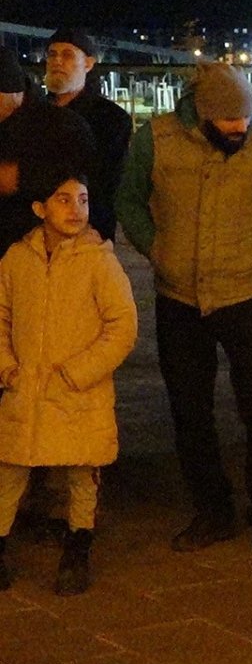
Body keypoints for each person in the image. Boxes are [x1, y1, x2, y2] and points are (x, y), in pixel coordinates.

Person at [116, 61, 252, 557]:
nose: (239, 129)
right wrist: (155, 248)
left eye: (245, 119)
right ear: (201, 113)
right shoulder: (155, 139)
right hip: (178, 296)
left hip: (247, 293)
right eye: (228, 121)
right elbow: (129, 200)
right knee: (189, 409)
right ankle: (212, 509)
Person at [0, 171, 137, 594]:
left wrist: (79, 372)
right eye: (63, 200)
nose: (75, 210)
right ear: (40, 208)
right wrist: (7, 367)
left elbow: (122, 325)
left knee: (82, 473)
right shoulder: (16, 260)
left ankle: (77, 549)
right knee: (10, 469)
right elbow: (0, 317)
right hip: (27, 388)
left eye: (82, 200)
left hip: (79, 390)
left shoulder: (100, 261)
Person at [0, 47, 95, 254]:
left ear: (14, 93)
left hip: (46, 251)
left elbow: (85, 183)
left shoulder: (64, 128)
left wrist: (20, 177)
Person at [44, 28, 132, 241]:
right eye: (52, 54)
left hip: (87, 231)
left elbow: (105, 183)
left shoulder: (112, 119)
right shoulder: (35, 111)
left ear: (89, 64)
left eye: (67, 55)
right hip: (37, 230)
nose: (57, 61)